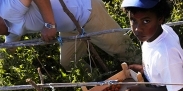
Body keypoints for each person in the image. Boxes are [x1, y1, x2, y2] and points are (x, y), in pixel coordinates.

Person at [0, 0, 141, 70]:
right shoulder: (7, 29)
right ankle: (101, 83)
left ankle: (151, 76)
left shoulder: (6, 9)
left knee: (123, 50)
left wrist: (49, 25)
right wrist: (5, 61)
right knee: (69, 63)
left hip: (85, 11)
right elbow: (10, 44)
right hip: (70, 27)